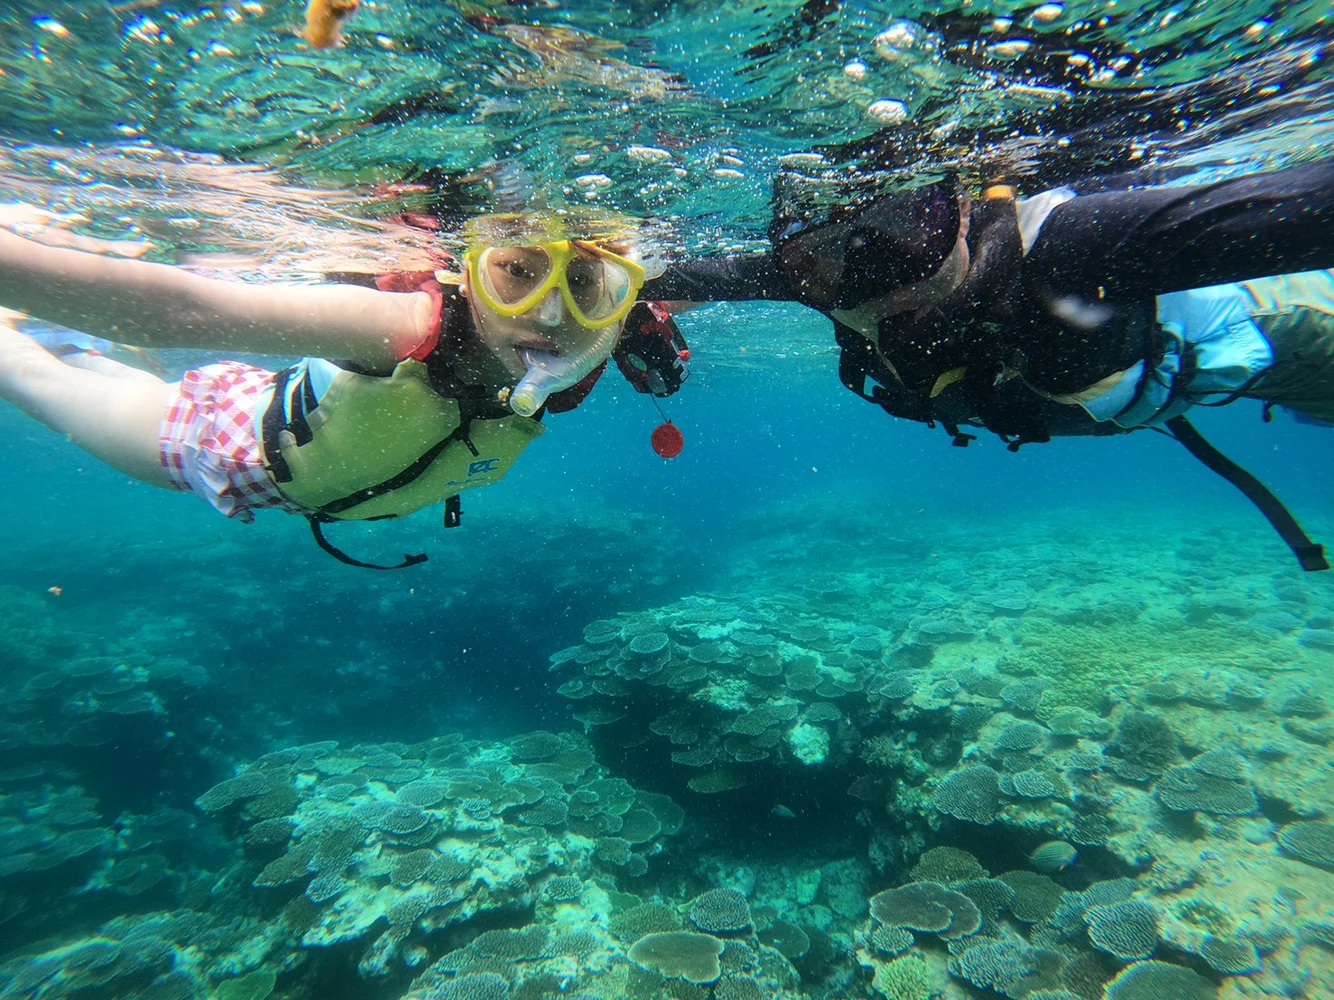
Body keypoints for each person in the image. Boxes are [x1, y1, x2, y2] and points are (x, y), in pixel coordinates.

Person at [648, 161, 1334, 570]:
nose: (875, 280)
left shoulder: (1073, 251)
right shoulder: (823, 288)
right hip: (1160, 391)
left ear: (961, 210)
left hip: (1292, 329)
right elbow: (657, 274)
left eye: (900, 236)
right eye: (820, 259)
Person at [0, 213, 689, 569]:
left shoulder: (595, 341)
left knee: (88, 363)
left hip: (311, 452)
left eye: (584, 287)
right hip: (221, 445)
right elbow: (190, 312)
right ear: (468, 272)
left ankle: (60, 336)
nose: (548, 315)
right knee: (30, 374)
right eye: (517, 272)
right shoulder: (404, 327)